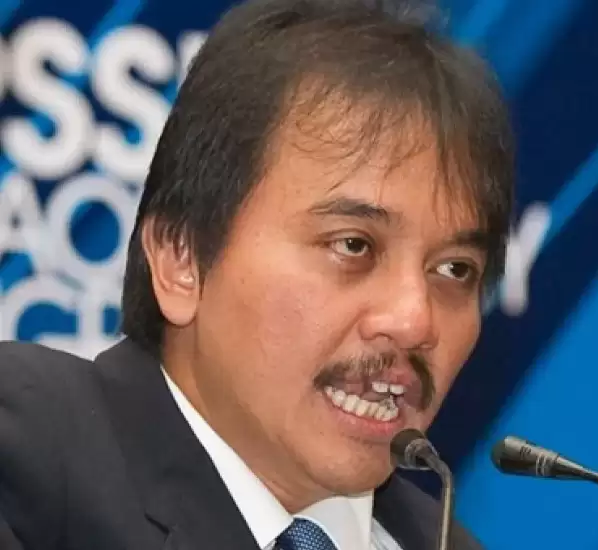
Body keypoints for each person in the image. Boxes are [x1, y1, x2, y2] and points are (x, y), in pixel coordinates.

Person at [0, 0, 514, 548]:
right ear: (180, 258)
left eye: (455, 269)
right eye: (353, 246)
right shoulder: (23, 457)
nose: (415, 320)